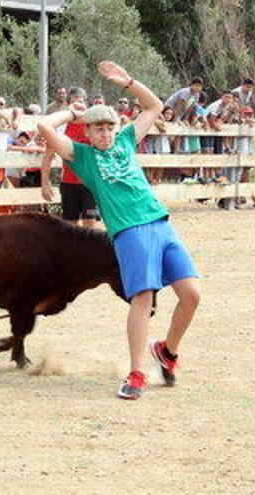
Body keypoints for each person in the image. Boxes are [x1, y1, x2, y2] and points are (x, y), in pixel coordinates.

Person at [37, 61, 200, 400]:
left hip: (160, 222)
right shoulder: (81, 156)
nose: (106, 134)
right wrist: (71, 112)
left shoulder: (126, 139)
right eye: (98, 129)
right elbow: (43, 125)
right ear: (88, 133)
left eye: (109, 127)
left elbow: (155, 106)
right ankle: (136, 373)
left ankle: (167, 352)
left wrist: (128, 81)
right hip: (129, 230)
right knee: (143, 298)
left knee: (192, 295)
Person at [40, 87, 101, 228]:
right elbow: (48, 156)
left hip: (91, 184)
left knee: (91, 226)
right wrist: (45, 184)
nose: (79, 106)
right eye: (75, 103)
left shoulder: (92, 125)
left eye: (82, 102)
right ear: (68, 106)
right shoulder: (61, 128)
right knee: (70, 227)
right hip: (69, 184)